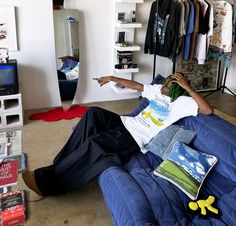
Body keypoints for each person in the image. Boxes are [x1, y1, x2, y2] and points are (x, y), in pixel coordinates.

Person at [22, 73, 213, 196]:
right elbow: (136, 85)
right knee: (93, 113)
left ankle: (47, 182)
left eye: (169, 85)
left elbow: (207, 111)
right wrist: (112, 78)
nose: (163, 87)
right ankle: (61, 163)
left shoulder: (182, 103)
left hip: (135, 137)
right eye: (165, 83)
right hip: (124, 122)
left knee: (95, 143)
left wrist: (188, 88)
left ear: (177, 89)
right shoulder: (157, 91)